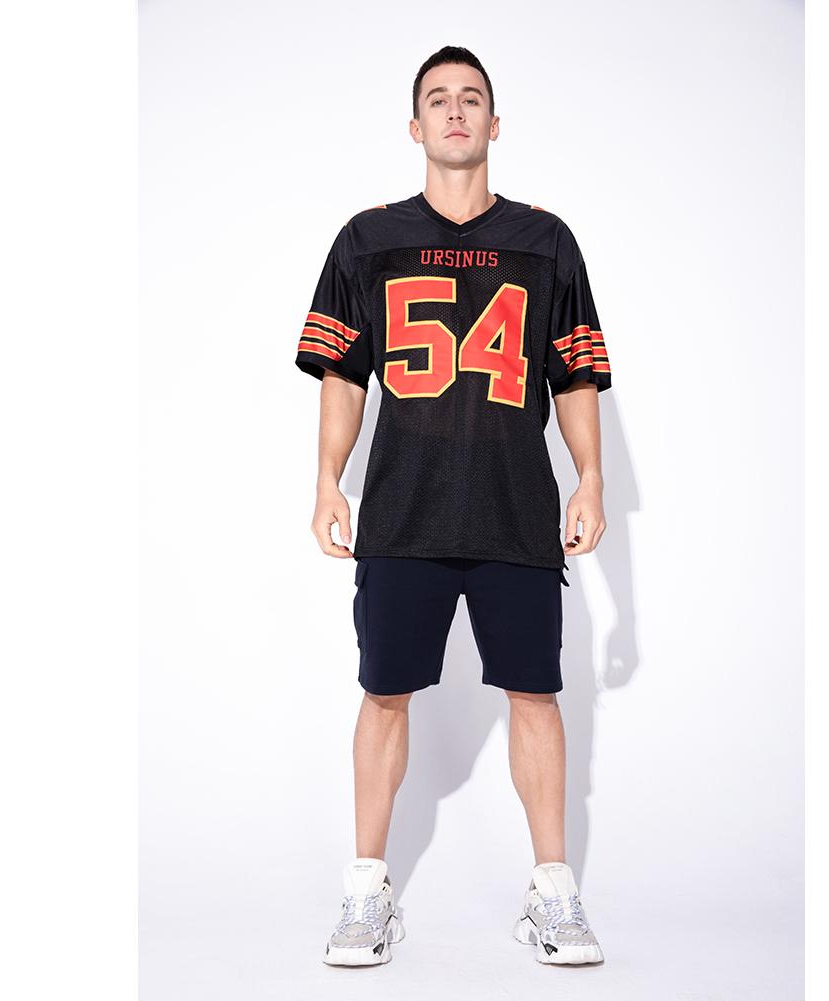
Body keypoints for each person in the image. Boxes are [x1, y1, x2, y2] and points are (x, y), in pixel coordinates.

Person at [295, 45, 611, 967]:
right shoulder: (367, 238)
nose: (456, 110)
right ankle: (366, 888)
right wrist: (327, 479)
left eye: (472, 97)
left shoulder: (545, 240)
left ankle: (553, 890)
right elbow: (343, 373)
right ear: (415, 125)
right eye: (438, 99)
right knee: (382, 694)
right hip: (404, 509)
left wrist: (590, 477)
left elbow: (573, 372)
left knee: (536, 696)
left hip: (515, 508)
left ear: (495, 123)